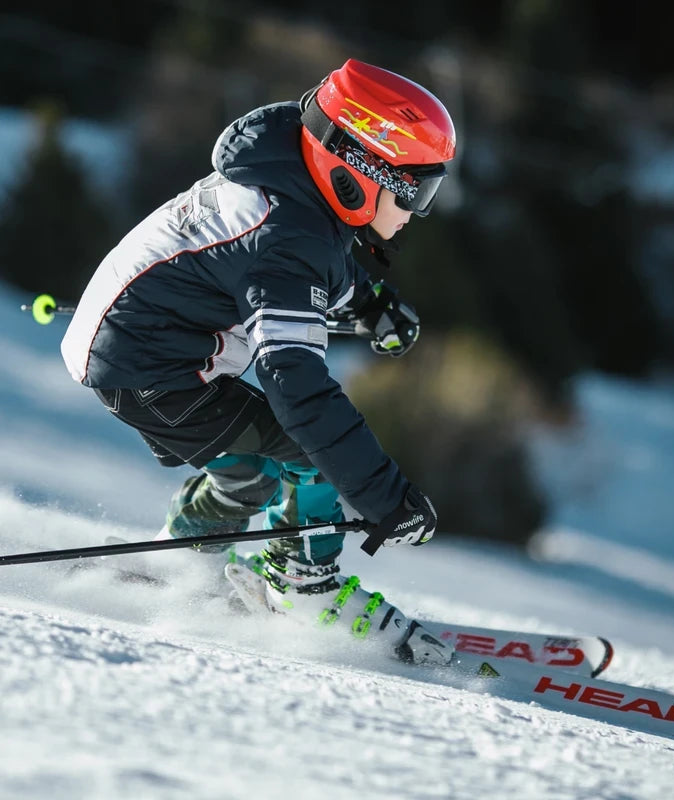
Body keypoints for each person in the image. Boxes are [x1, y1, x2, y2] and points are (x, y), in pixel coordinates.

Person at [60, 59, 456, 665]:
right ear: (361, 172)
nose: (415, 212)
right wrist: (385, 499)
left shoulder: (288, 183)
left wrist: (371, 304)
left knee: (252, 470)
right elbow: (295, 387)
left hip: (138, 350)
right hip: (153, 370)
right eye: (415, 191)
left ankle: (181, 559)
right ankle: (302, 584)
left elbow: (316, 261)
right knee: (311, 456)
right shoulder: (286, 240)